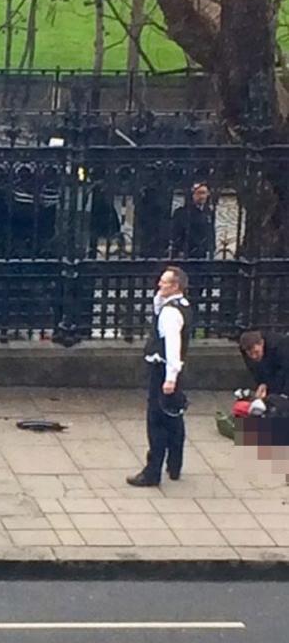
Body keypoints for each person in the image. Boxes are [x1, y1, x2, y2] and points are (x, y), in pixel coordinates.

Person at [128, 266, 192, 487]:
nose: (159, 285)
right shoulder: (181, 305)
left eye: (164, 282)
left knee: (156, 422)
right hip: (174, 369)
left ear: (175, 286)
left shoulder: (171, 313)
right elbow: (157, 305)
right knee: (174, 418)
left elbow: (173, 345)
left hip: (163, 370)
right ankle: (175, 465)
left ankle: (152, 471)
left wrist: (170, 377)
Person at [168, 182, 216, 259]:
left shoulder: (208, 212)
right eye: (199, 193)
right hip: (186, 253)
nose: (202, 196)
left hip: (202, 254)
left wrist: (211, 248)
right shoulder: (181, 212)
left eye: (205, 193)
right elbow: (176, 233)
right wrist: (179, 250)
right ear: (193, 195)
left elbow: (211, 232)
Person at [239, 330, 289, 400]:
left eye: (256, 352)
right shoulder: (245, 351)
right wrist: (262, 384)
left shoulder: (281, 346)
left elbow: (285, 371)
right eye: (250, 354)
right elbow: (254, 369)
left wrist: (283, 395)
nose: (254, 356)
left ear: (262, 343)